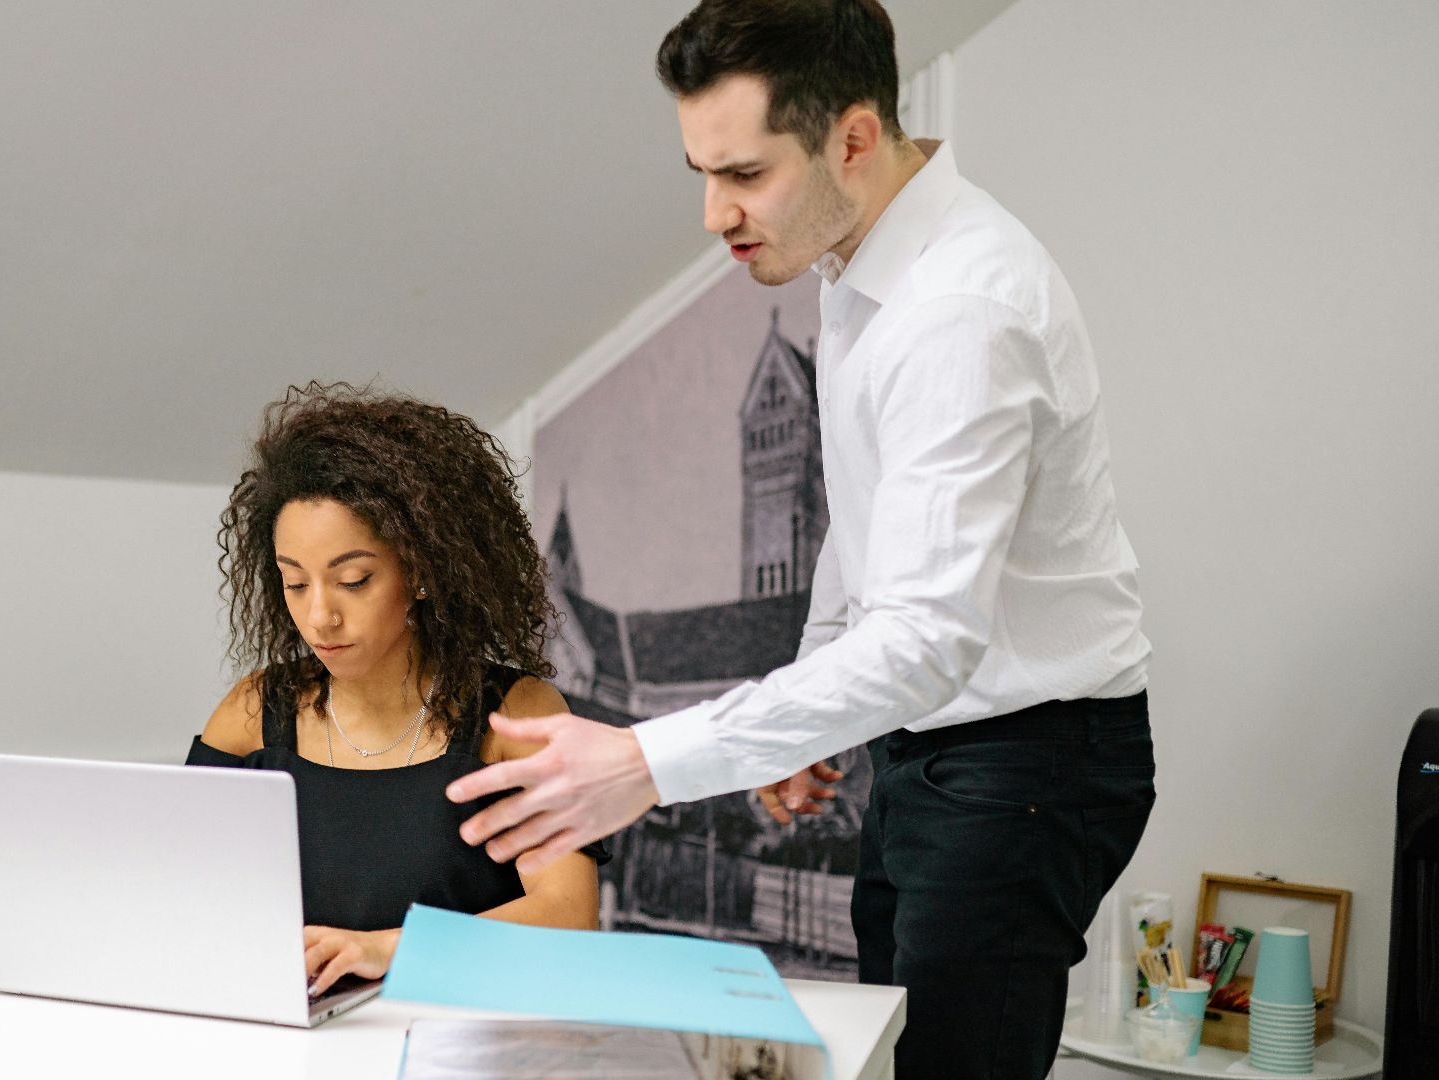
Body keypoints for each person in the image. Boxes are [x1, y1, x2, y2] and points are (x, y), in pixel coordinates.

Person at [447, 2, 1155, 1076]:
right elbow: (862, 531)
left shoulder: (959, 310)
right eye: (701, 171)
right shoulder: (850, 260)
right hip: (933, 744)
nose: (710, 213)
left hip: (1030, 758)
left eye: (741, 174)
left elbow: (923, 639)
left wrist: (647, 762)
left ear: (854, 139)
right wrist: (809, 714)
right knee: (888, 1047)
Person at [188, 382, 602, 998]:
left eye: (353, 580)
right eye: (295, 583)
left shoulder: (514, 718)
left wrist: (387, 948)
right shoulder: (255, 713)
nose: (320, 617)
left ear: (422, 571)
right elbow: (177, 882)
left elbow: (569, 917)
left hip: (462, 1036)